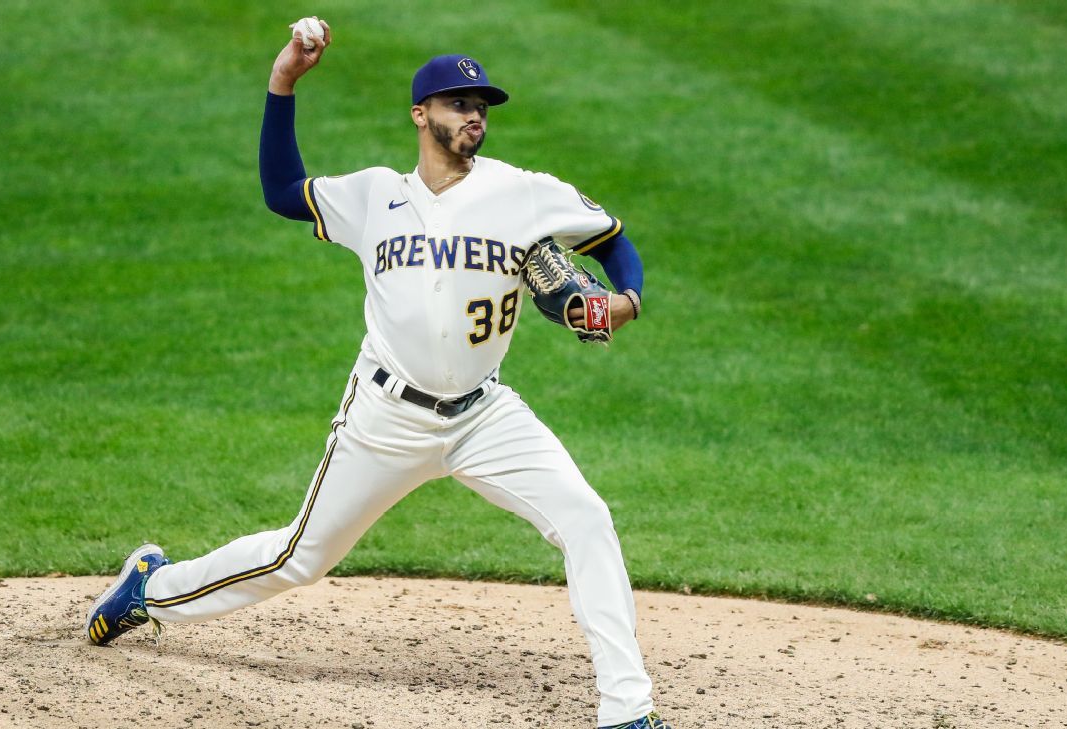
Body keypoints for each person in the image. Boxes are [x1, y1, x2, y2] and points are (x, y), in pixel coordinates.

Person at [85, 19, 671, 729]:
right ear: (421, 114)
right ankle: (152, 587)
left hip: (486, 415)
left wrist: (625, 298)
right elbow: (280, 190)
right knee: (298, 557)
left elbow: (614, 240)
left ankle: (627, 712)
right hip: (385, 416)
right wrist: (284, 82)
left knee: (586, 517)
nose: (474, 114)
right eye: (458, 103)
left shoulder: (528, 194)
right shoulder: (373, 195)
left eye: (481, 104)